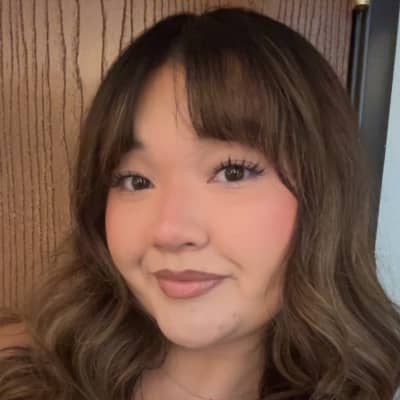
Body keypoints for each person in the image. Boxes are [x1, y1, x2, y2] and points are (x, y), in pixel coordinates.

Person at [1, 6, 399, 400]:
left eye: (233, 172)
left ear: (324, 195)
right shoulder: (20, 376)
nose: (169, 231)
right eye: (135, 180)